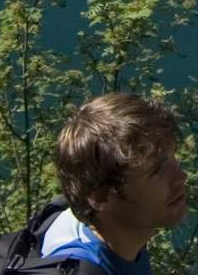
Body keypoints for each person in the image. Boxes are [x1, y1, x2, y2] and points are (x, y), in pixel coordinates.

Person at [42, 92, 190, 275]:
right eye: (157, 170)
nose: (181, 177)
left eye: (173, 159)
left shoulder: (124, 245)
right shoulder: (78, 269)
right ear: (100, 196)